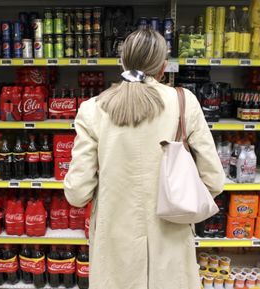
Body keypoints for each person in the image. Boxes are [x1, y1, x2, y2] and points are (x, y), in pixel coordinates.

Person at [64, 29, 225, 289]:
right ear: (163, 66)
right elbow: (215, 181)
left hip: (114, 238)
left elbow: (77, 193)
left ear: (122, 62)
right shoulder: (185, 102)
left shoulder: (92, 109)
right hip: (171, 232)